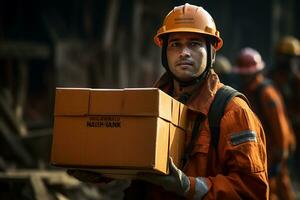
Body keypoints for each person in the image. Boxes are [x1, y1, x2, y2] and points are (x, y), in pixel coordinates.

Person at [68, 3, 269, 199]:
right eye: (175, 44)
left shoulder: (233, 112)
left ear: (212, 52)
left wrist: (187, 186)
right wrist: (99, 172)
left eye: (194, 43)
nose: (184, 52)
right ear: (165, 53)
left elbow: (251, 191)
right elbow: (132, 160)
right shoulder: (149, 106)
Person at [233, 47, 295, 200]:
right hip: (262, 152)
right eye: (242, 74)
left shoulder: (266, 93)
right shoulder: (248, 91)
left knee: (280, 190)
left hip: (275, 153)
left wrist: (280, 157)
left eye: (246, 74)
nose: (244, 77)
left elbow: (280, 127)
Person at [268, 36, 300, 199]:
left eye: (292, 58)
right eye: (286, 57)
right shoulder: (270, 79)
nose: (289, 61)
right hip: (274, 131)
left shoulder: (296, 80)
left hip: (292, 132)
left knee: (285, 172)